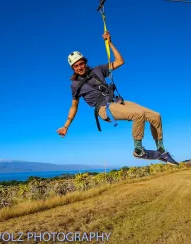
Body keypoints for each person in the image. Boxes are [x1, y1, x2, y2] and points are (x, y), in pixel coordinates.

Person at [56, 31, 178, 165]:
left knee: (156, 116)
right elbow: (74, 107)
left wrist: (110, 43)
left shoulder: (98, 70)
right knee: (139, 114)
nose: (79, 67)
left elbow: (120, 61)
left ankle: (161, 150)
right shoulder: (74, 85)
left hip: (117, 101)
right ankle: (138, 150)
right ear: (73, 68)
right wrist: (65, 126)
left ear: (85, 62)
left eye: (81, 63)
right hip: (104, 109)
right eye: (76, 66)